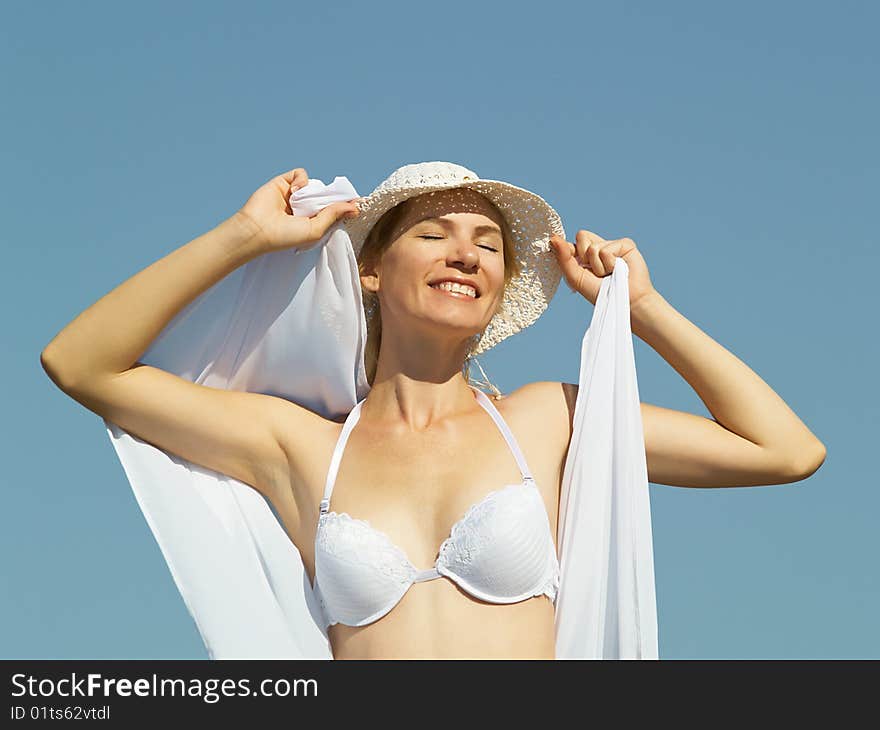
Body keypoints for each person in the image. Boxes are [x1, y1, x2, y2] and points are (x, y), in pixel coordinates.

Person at [40, 162, 827, 660]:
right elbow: (80, 363)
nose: (467, 254)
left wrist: (644, 311)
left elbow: (784, 450)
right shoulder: (302, 449)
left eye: (488, 243)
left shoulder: (546, 422)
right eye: (435, 232)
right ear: (373, 269)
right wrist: (244, 236)